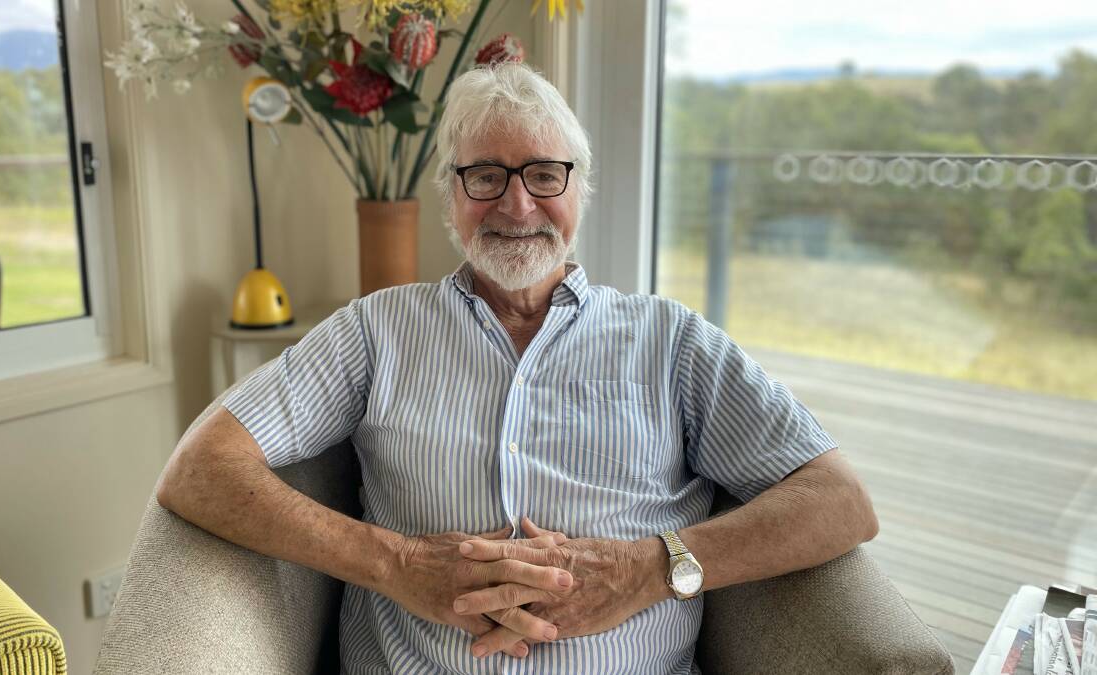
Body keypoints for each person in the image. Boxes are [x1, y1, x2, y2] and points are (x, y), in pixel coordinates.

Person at [156, 63, 879, 674]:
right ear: (451, 196)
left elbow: (840, 500)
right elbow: (199, 469)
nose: (516, 203)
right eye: (485, 176)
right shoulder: (376, 330)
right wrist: (398, 564)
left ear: (579, 189)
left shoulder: (671, 339)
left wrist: (648, 571)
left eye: (543, 174)